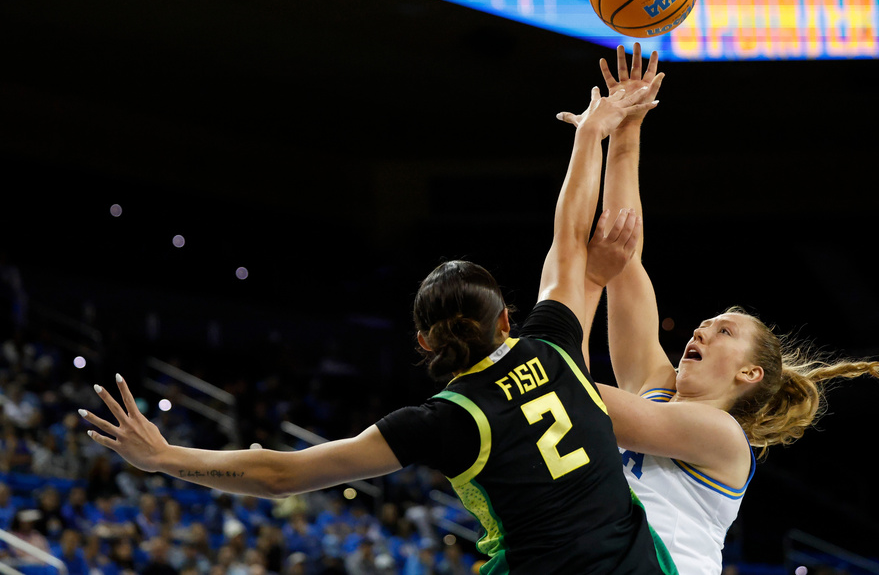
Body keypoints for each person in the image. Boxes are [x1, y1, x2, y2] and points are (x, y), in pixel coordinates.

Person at [80, 84, 678, 574]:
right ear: (505, 319)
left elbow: (277, 474)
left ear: (422, 341)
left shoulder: (441, 422)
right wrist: (591, 136)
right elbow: (568, 243)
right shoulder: (552, 347)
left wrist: (163, 457)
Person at [579, 43, 879, 575]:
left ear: (749, 372)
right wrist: (627, 128)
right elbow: (625, 250)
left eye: (723, 331)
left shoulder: (722, 436)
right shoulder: (657, 386)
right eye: (707, 325)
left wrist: (515, 360)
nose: (702, 330)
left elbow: (581, 402)